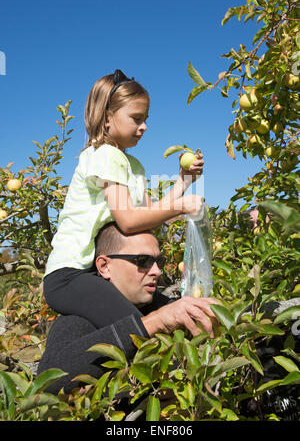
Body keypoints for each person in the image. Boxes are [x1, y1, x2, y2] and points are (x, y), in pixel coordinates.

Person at [43, 69, 205, 328]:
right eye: (136, 118)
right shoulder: (105, 155)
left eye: (146, 119)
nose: (144, 127)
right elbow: (128, 221)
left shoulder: (132, 165)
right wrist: (181, 207)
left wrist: (184, 181)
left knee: (172, 313)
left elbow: (150, 217)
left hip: (96, 274)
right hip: (68, 276)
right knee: (138, 327)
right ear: (108, 118)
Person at [38, 222, 219, 396]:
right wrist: (154, 323)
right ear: (104, 267)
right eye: (143, 260)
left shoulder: (164, 307)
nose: (157, 271)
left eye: (159, 261)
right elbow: (50, 380)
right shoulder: (78, 320)